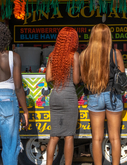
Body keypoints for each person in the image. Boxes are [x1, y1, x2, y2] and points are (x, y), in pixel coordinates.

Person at [80, 24, 125, 165]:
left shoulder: (85, 54)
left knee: (97, 138)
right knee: (115, 138)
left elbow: (83, 79)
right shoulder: (115, 53)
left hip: (95, 95)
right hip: (113, 96)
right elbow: (122, 77)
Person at [46, 27, 80, 165]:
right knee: (68, 136)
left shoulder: (52, 55)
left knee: (54, 136)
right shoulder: (74, 55)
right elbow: (76, 81)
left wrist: (59, 74)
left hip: (55, 96)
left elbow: (48, 78)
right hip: (69, 97)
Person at [0, 22, 29, 165]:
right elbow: (18, 87)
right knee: (10, 146)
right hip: (8, 103)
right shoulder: (14, 57)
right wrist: (25, 111)